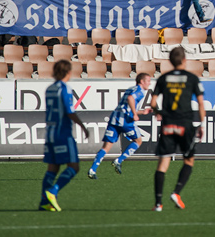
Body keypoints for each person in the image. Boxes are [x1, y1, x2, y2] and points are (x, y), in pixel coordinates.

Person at [151, 47, 206, 211]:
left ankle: (158, 204)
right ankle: (176, 192)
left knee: (162, 165)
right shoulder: (192, 78)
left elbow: (153, 103)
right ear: (184, 60)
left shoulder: (163, 78)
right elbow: (201, 103)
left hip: (168, 124)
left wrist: (158, 113)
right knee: (188, 160)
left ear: (170, 61)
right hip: (185, 124)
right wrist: (202, 124)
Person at [40, 60, 89, 212]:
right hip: (63, 133)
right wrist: (82, 126)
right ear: (68, 72)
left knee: (52, 169)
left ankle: (44, 202)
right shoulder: (65, 89)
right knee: (74, 167)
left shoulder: (49, 89)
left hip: (50, 133)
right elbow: (69, 111)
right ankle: (52, 192)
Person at [88, 73, 152, 179]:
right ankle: (119, 160)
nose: (149, 83)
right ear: (142, 81)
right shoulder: (140, 91)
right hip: (125, 120)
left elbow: (126, 104)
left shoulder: (130, 88)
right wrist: (135, 114)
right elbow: (131, 99)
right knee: (138, 141)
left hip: (115, 118)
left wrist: (142, 112)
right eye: (148, 81)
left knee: (106, 147)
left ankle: (92, 170)